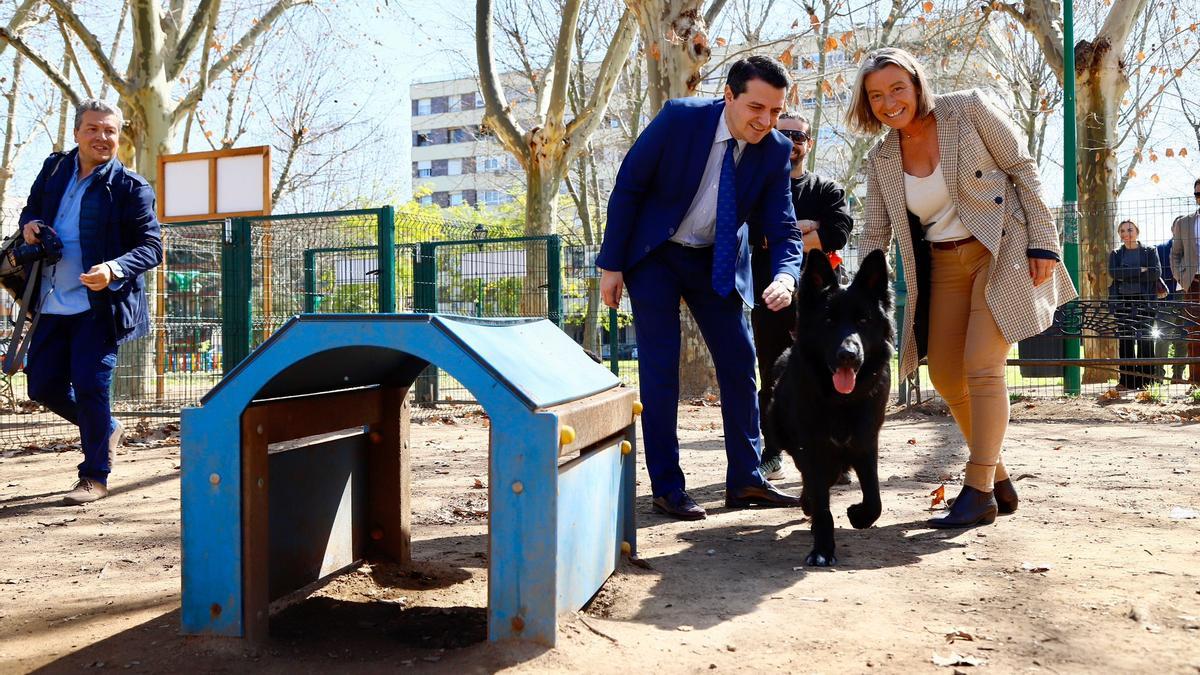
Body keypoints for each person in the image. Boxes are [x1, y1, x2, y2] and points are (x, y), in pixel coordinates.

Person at [848, 48, 1075, 528]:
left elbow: (1022, 167)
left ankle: (977, 491)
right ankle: (998, 478)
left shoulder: (966, 109)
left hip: (1002, 249)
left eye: (897, 89)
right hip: (942, 265)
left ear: (916, 84)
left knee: (982, 367)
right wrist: (854, 295)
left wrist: (1044, 243)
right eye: (876, 96)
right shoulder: (882, 158)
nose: (889, 103)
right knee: (947, 376)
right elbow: (873, 232)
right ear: (867, 105)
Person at [597, 56, 805, 520]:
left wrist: (787, 276)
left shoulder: (773, 151)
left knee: (739, 360)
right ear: (728, 95)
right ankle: (667, 487)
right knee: (660, 367)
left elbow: (785, 229)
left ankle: (747, 479)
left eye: (775, 111)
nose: (766, 121)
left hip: (716, 259)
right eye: (756, 107)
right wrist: (611, 265)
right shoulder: (679, 119)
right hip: (656, 253)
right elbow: (628, 186)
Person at [17, 99, 163, 505]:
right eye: (93, 129)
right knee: (42, 385)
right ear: (78, 132)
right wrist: (29, 225)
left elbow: (152, 248)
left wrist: (113, 269)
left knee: (90, 385)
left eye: (110, 131)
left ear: (119, 136)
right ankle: (107, 428)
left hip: (100, 308)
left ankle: (94, 475)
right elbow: (31, 209)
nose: (102, 137)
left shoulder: (132, 187)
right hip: (49, 299)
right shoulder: (54, 168)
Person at [751, 111, 854, 482]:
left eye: (799, 136)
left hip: (822, 304)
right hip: (770, 295)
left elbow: (838, 233)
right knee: (772, 376)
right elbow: (752, 234)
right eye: (785, 135)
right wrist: (806, 230)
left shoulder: (826, 190)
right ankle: (772, 453)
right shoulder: (758, 187)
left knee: (831, 373)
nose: (792, 142)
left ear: (808, 144)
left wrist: (781, 234)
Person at [1108, 220, 1161, 389]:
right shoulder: (1116, 254)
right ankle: (1127, 380)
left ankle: (1147, 380)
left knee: (1146, 338)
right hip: (1123, 301)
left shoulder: (1149, 251)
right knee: (1126, 340)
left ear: (1137, 231)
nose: (1125, 234)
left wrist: (1127, 274)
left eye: (1129, 230)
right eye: (1122, 231)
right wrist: (1140, 270)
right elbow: (1114, 273)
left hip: (1145, 301)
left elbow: (1155, 273)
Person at [1170, 177, 1200, 385]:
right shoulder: (1184, 222)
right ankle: (1197, 383)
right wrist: (1182, 276)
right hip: (1194, 283)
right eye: (1198, 193)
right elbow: (1175, 254)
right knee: (1194, 334)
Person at [1155, 239, 1187, 380]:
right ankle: (1158, 375)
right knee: (1163, 337)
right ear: (1172, 229)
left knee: (1183, 337)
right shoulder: (1161, 248)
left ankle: (1178, 375)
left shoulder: (1192, 248)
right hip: (1167, 298)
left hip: (1187, 298)